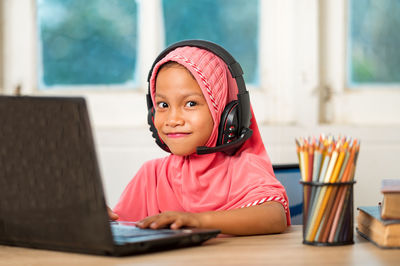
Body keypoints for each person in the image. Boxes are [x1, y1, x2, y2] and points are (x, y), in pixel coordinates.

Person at [109, 42, 290, 235]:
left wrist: (197, 220)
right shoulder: (151, 175)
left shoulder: (243, 167)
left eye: (190, 103)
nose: (173, 119)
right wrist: (100, 220)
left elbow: (273, 217)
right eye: (162, 104)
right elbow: (122, 229)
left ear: (227, 114)